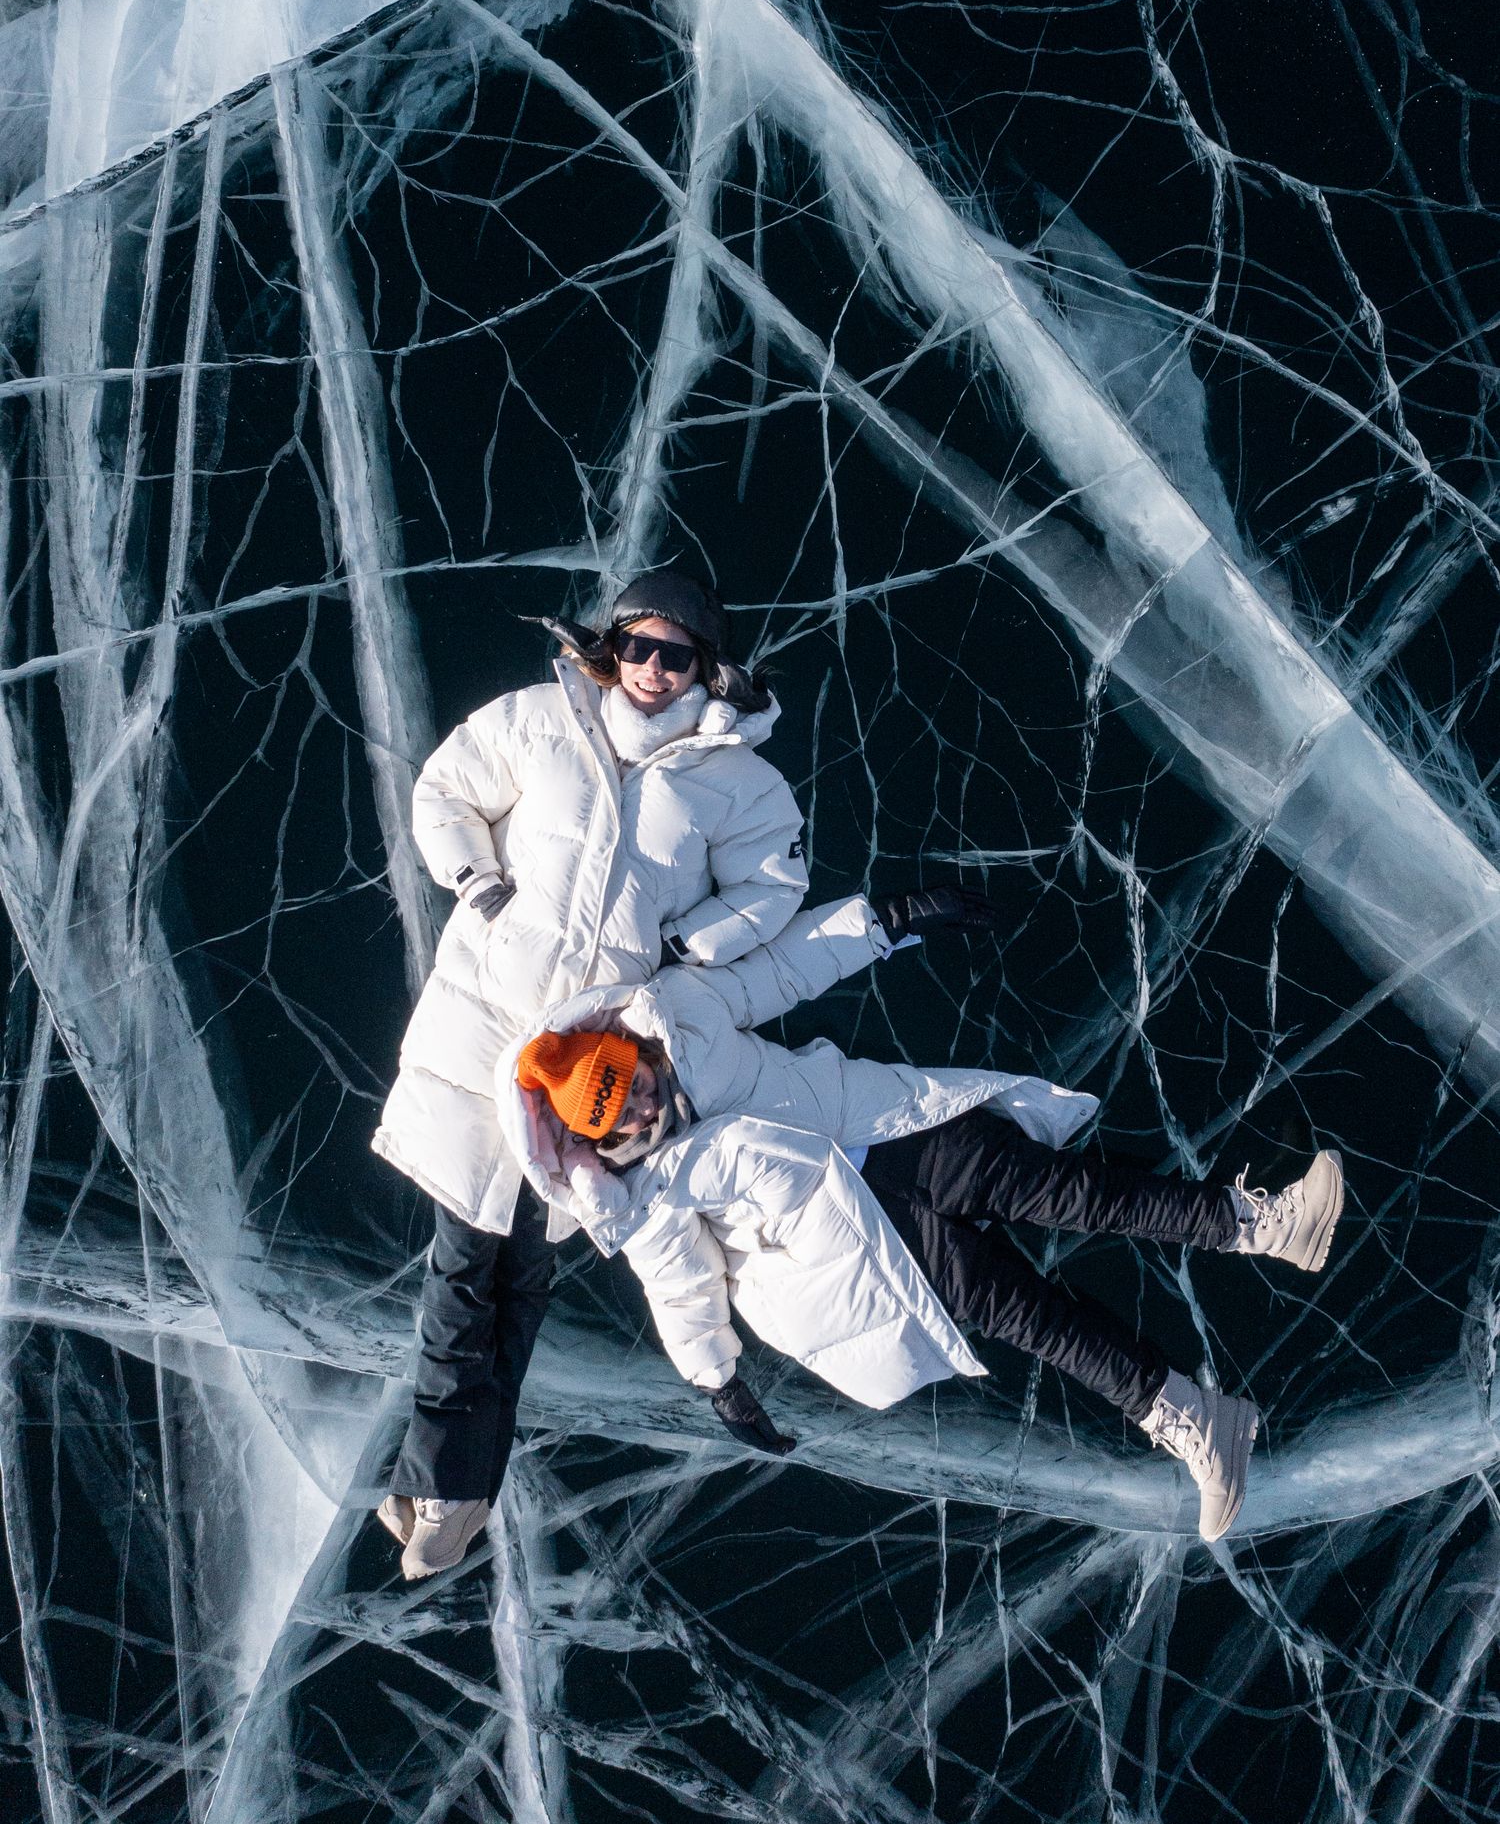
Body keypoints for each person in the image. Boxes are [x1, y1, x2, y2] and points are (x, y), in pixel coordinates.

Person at [505, 896, 1346, 1544]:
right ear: (596, 1136)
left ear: (627, 1051)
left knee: (1075, 1194)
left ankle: (1266, 1226)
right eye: (616, 1113)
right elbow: (680, 1287)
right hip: (868, 1243)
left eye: (628, 1080)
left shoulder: (685, 1013)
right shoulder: (641, 1197)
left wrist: (887, 920)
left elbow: (784, 970)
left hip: (893, 1132)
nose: (639, 1104)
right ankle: (1198, 1422)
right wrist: (717, 1380)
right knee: (1036, 1320)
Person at [372, 568, 809, 1578]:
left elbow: (775, 880)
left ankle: (451, 1489)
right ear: (613, 647)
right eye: (640, 645)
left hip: (594, 1059)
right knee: (464, 1259)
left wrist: (688, 944)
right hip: (486, 1027)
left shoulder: (735, 778)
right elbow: (446, 789)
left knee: (519, 1273)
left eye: (678, 654)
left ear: (707, 666)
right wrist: (479, 882)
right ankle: (444, 1486)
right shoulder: (540, 719)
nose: (655, 668)